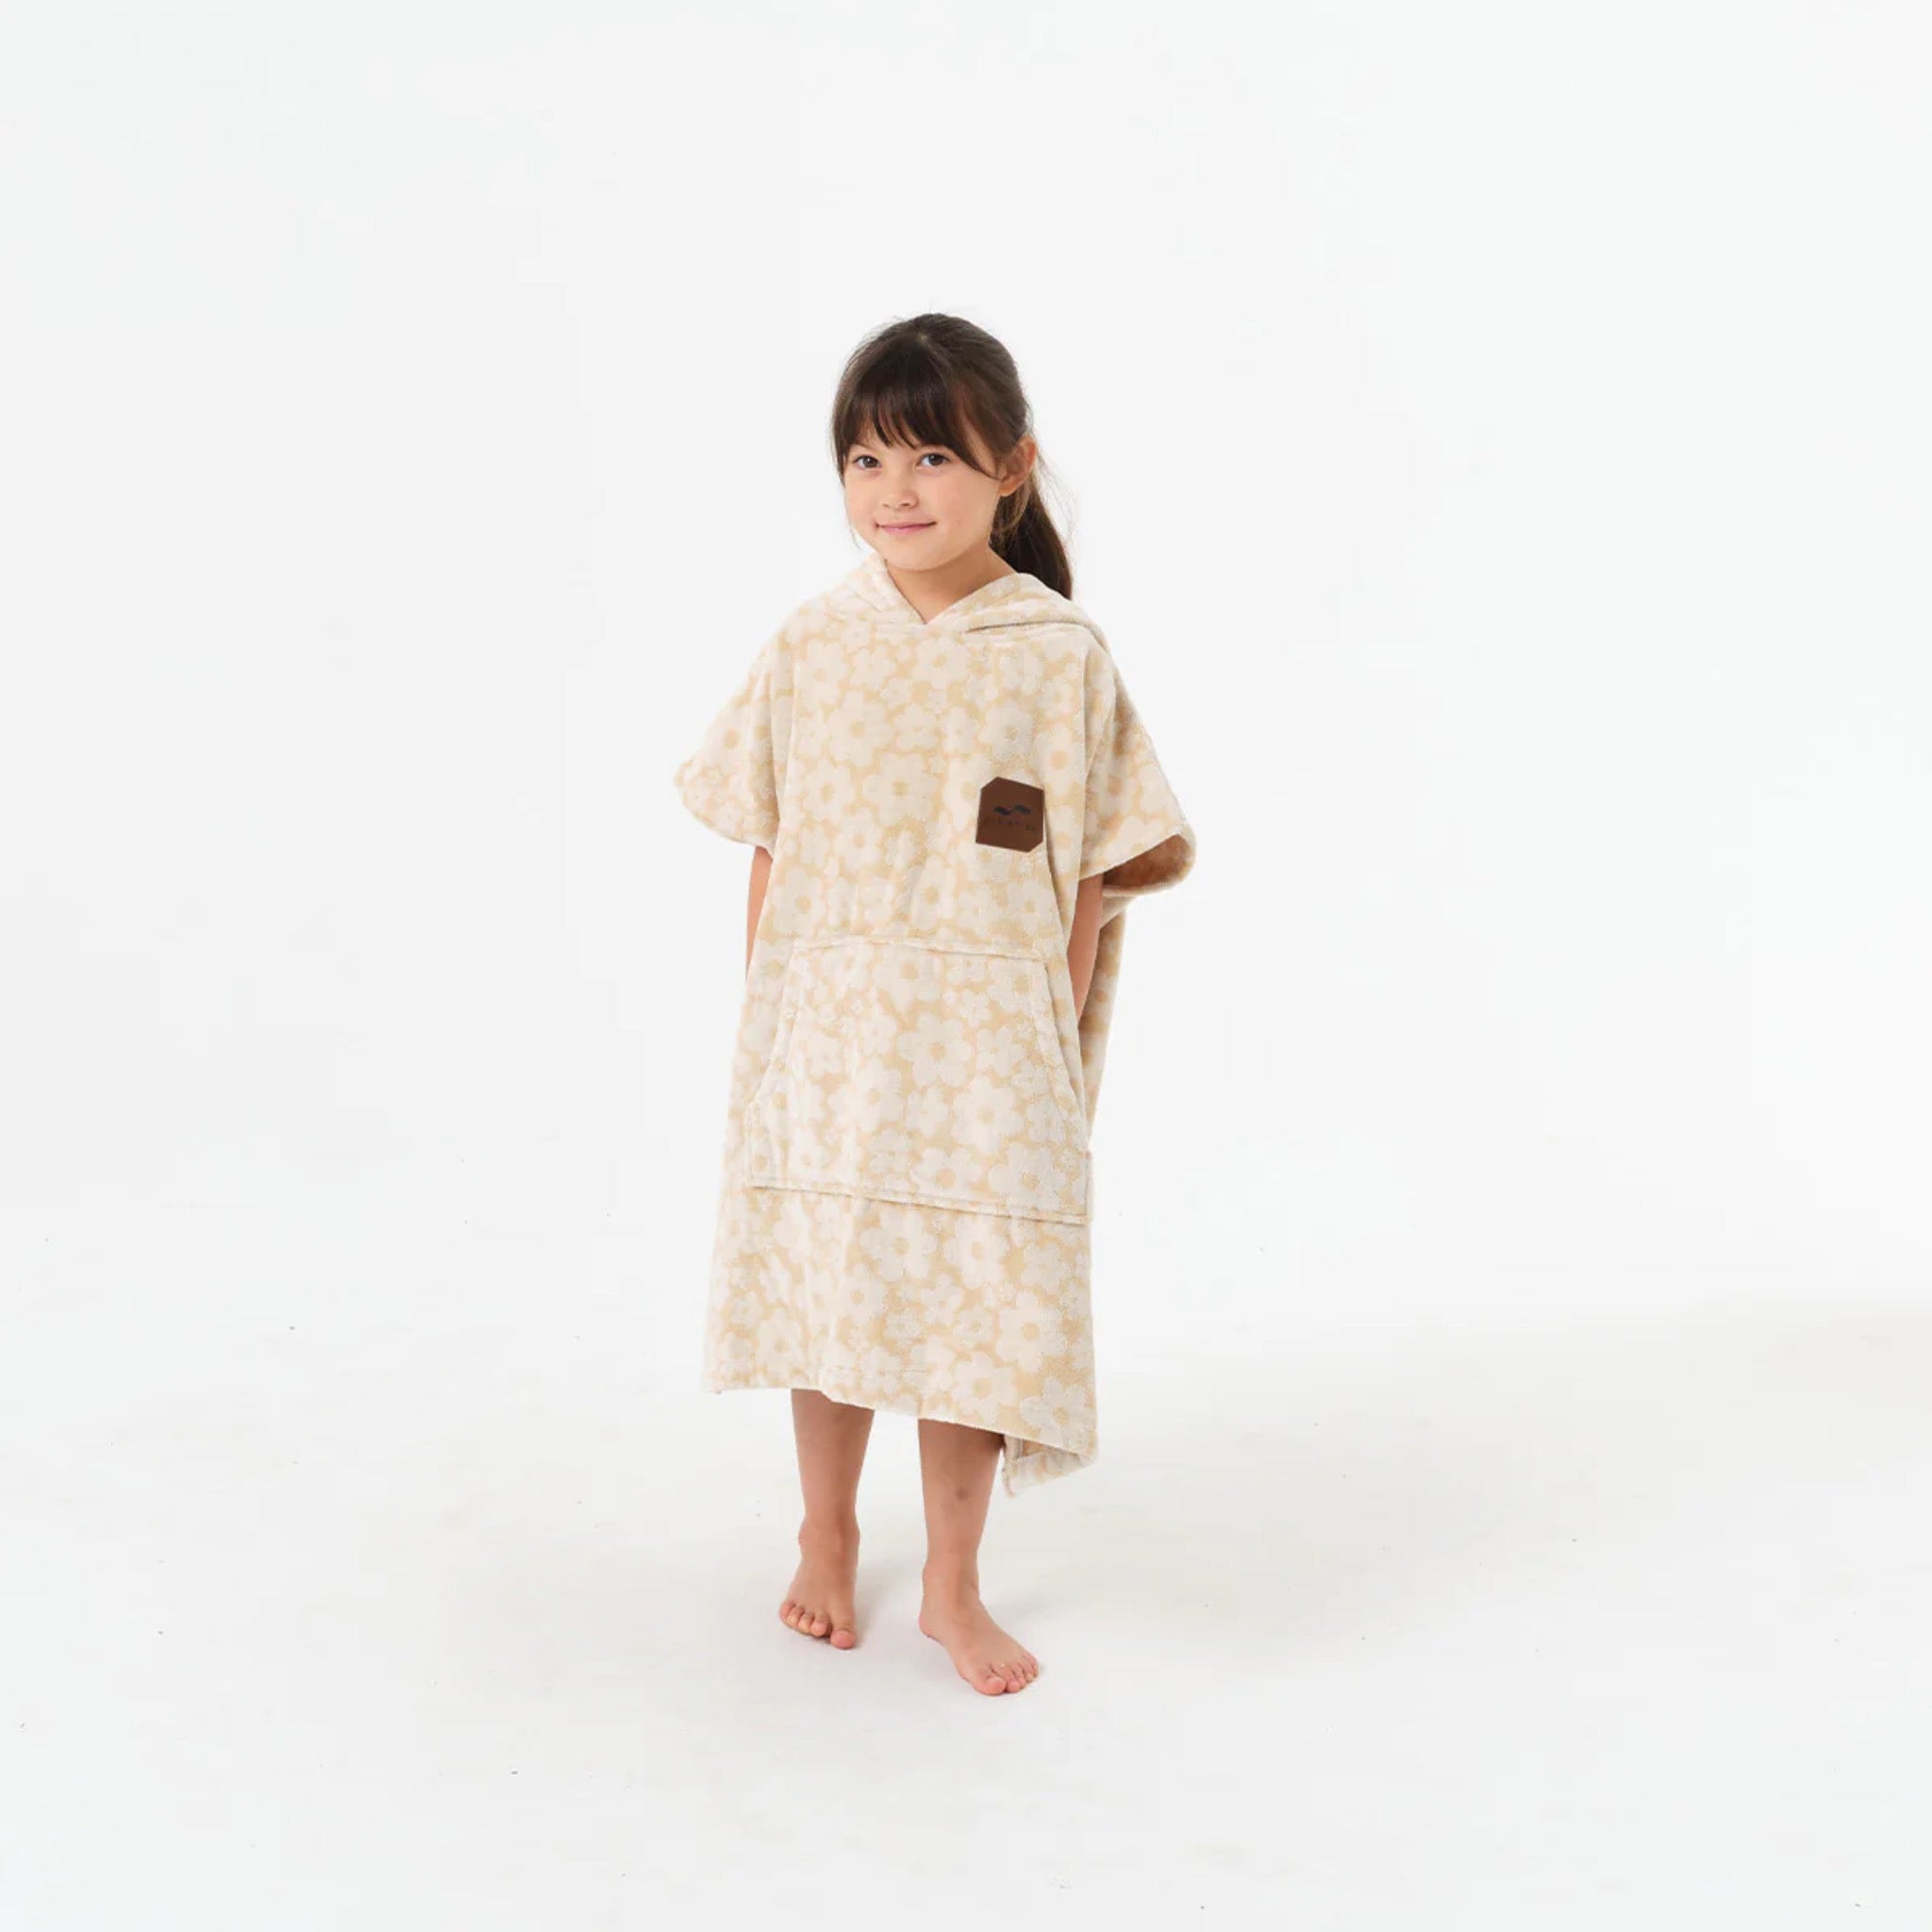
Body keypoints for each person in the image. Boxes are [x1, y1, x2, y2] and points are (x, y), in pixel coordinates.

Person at [673, 312, 1196, 1695]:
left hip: (987, 1049)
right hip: (830, 1034)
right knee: (832, 1280)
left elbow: (1089, 866)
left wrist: (1046, 1033)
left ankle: (954, 1586)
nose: (895, 491)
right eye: (865, 460)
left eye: (930, 457)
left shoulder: (1056, 654)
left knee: (974, 1308)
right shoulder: (814, 642)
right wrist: (772, 1022)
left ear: (1010, 466)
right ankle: (827, 1532)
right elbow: (769, 838)